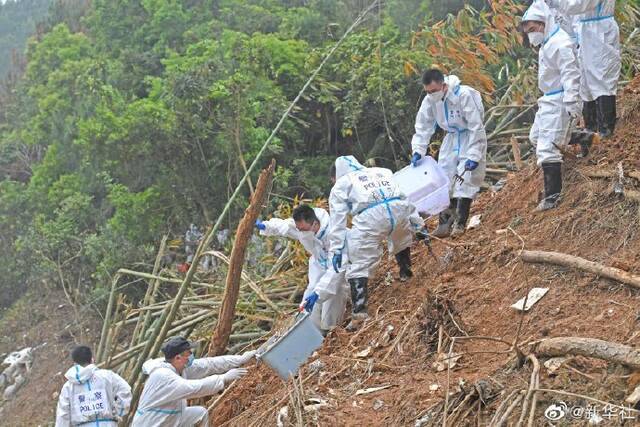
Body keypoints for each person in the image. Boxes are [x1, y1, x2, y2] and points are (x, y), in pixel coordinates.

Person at [327, 155, 426, 330]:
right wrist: (417, 223)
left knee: (358, 260)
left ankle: (359, 313)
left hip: (370, 217)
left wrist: (336, 249)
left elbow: (337, 220)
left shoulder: (341, 185)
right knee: (400, 239)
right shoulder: (382, 172)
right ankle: (406, 272)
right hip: (399, 210)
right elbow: (404, 197)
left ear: (336, 176)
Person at [410, 69, 487, 238]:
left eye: (434, 91)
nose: (431, 94)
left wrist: (474, 154)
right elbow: (423, 126)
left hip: (469, 137)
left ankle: (460, 223)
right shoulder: (430, 101)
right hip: (451, 139)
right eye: (428, 92)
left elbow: (476, 126)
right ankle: (445, 223)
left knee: (464, 180)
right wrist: (418, 150)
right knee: (444, 180)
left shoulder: (463, 95)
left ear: (443, 86)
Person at [521, 0, 582, 211]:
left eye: (533, 29)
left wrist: (572, 101)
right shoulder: (547, 42)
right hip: (548, 99)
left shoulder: (560, 43)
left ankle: (552, 196)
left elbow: (571, 74)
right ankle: (583, 137)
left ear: (543, 22)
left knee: (547, 149)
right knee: (536, 137)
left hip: (560, 99)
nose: (531, 34)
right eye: (528, 30)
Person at [255, 204, 349, 334]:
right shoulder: (304, 226)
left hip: (339, 268)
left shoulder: (335, 234)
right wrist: (266, 226)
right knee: (309, 298)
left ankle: (331, 330)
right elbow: (286, 226)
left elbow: (336, 269)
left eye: (304, 230)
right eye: (300, 229)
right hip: (319, 264)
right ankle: (314, 332)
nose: (301, 233)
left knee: (334, 295)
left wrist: (320, 293)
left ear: (315, 224)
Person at [132, 336, 254, 427]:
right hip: (151, 422)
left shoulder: (180, 366)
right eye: (189, 353)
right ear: (178, 357)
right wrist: (223, 378)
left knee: (200, 414)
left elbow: (209, 364)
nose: (191, 355)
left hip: (171, 416)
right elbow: (194, 388)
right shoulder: (163, 376)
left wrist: (240, 359)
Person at [545, 0, 620, 138]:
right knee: (585, 83)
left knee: (602, 80)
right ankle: (591, 131)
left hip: (600, 32)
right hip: (584, 32)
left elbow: (577, 5)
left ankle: (606, 130)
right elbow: (568, 17)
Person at [55, 345, 132, 427]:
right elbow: (125, 391)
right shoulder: (107, 376)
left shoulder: (69, 386)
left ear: (75, 363)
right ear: (92, 359)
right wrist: (118, 412)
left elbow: (63, 415)